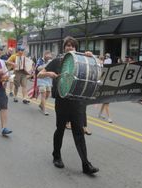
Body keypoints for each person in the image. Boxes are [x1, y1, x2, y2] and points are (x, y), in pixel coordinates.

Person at [38, 36, 99, 175]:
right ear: (64, 47)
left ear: (76, 48)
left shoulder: (81, 60)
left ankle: (86, 164)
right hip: (62, 100)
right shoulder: (58, 61)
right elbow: (39, 74)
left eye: (73, 45)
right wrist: (48, 73)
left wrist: (91, 56)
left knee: (79, 132)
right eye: (68, 45)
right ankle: (56, 156)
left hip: (77, 101)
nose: (70, 47)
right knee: (60, 129)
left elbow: (97, 67)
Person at [36, 50, 53, 115]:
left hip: (48, 79)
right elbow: (38, 68)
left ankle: (41, 104)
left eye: (50, 56)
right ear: (45, 55)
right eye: (48, 56)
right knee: (43, 94)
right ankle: (44, 109)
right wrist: (47, 65)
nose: (49, 57)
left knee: (48, 94)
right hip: (41, 78)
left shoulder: (51, 61)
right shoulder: (40, 60)